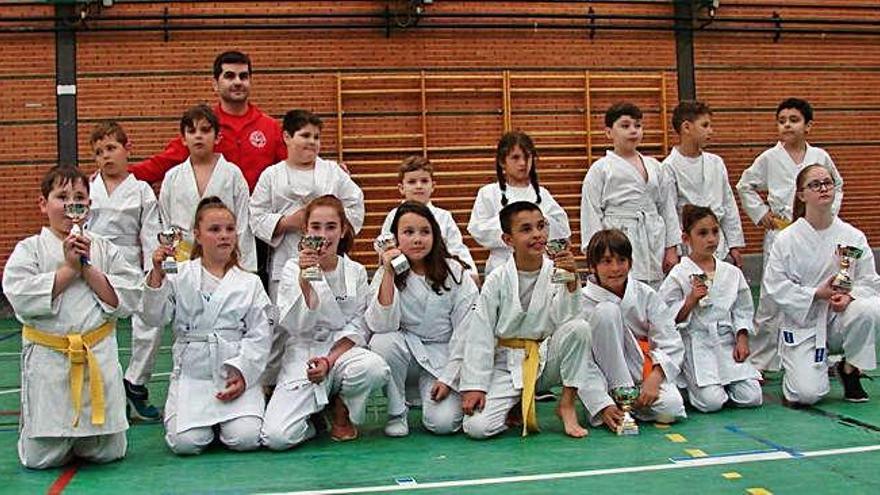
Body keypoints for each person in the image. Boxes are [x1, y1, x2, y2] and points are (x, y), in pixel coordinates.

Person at [2, 166, 142, 469]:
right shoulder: (30, 249)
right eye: (61, 196)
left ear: (89, 206)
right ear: (43, 204)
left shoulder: (104, 248)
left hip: (97, 353)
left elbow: (128, 297)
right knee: (41, 459)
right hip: (50, 360)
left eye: (79, 197)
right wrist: (68, 270)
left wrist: (86, 267)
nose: (70, 204)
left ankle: (89, 438)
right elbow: (20, 296)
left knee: (109, 452)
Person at [141, 197, 272, 455]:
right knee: (186, 444)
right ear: (197, 236)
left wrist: (244, 374)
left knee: (244, 439)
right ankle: (202, 424)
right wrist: (157, 275)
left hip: (232, 372)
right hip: (194, 376)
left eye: (229, 229)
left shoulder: (250, 282)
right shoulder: (179, 274)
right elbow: (154, 318)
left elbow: (260, 334)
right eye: (214, 230)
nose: (224, 236)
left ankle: (230, 419)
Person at [261, 195, 389, 449]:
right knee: (276, 438)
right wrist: (304, 281)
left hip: (342, 353)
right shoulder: (290, 268)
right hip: (303, 353)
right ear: (305, 231)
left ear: (343, 231)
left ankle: (342, 405)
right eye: (316, 227)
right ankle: (314, 418)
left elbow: (359, 326)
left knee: (375, 368)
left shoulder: (355, 271)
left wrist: (329, 361)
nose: (323, 235)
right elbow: (294, 326)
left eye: (331, 227)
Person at [249, 109, 365, 389]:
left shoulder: (332, 172)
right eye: (304, 135)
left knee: (326, 318)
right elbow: (255, 215)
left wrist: (329, 223)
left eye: (316, 137)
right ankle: (274, 386)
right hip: (287, 257)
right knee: (281, 325)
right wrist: (289, 222)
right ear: (286, 137)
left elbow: (355, 203)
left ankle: (330, 380)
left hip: (327, 262)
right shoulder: (272, 175)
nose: (311, 142)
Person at [460, 201, 592, 440]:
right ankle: (516, 402)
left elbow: (567, 318)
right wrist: (475, 385)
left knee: (579, 328)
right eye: (526, 229)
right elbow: (481, 333)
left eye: (541, 226)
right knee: (477, 427)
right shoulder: (497, 279)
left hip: (546, 358)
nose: (538, 235)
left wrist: (572, 282)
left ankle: (567, 404)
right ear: (508, 240)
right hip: (508, 363)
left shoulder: (556, 271)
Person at [736, 97, 845, 373]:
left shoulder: (820, 157)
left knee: (814, 291)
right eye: (782, 120)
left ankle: (812, 350)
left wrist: (826, 214)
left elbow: (838, 185)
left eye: (794, 120)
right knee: (772, 298)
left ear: (808, 126)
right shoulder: (769, 158)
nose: (787, 125)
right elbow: (744, 185)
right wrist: (762, 215)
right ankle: (761, 360)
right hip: (782, 232)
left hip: (814, 233)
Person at [762, 164, 879, 405]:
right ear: (802, 195)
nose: (823, 188)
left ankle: (850, 367)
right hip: (803, 322)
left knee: (870, 308)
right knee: (806, 395)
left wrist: (850, 297)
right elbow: (774, 286)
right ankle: (798, 371)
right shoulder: (786, 239)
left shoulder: (852, 235)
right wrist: (815, 293)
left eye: (827, 183)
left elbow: (869, 281)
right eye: (815, 185)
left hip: (839, 317)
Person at [367, 202, 478, 437]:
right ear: (396, 238)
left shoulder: (455, 272)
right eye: (408, 232)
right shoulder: (385, 273)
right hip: (405, 354)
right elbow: (381, 325)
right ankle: (397, 412)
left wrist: (448, 378)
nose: (417, 239)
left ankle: (426, 395)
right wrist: (388, 272)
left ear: (435, 236)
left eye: (425, 232)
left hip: (443, 355)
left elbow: (467, 331)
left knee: (443, 424)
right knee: (383, 342)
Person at [86, 121, 164, 423]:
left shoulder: (141, 190)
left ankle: (135, 382)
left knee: (149, 324)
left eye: (111, 148)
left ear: (126, 148)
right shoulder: (88, 188)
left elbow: (150, 232)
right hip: (95, 265)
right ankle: (102, 391)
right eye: (99, 152)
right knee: (96, 327)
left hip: (132, 264)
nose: (106, 157)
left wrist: (152, 270)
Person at [129, 50, 285, 191]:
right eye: (229, 76)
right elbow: (161, 163)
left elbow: (289, 169)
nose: (238, 82)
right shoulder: (203, 126)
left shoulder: (269, 127)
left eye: (243, 76)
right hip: (214, 216)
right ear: (215, 84)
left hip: (257, 216)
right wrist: (121, 176)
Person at [579, 229, 686, 432]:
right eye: (606, 262)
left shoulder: (645, 294)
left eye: (621, 260)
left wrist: (655, 377)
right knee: (606, 312)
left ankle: (628, 404)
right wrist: (602, 404)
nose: (615, 268)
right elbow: (581, 358)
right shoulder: (582, 302)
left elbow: (670, 340)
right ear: (592, 266)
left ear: (630, 262)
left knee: (671, 408)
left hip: (641, 370)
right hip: (603, 378)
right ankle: (614, 403)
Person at [658, 205, 762, 413]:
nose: (711, 239)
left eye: (715, 231)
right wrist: (689, 302)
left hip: (726, 342)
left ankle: (722, 384)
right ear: (686, 238)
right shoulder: (679, 273)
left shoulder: (731, 273)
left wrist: (742, 337)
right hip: (697, 344)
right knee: (711, 403)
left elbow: (743, 309)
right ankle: (689, 386)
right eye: (703, 233)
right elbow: (664, 317)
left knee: (752, 396)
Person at [581, 102, 680, 289]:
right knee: (622, 287)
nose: (633, 131)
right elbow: (591, 213)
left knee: (656, 290)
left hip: (653, 233)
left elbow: (667, 208)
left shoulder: (656, 166)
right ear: (609, 132)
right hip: (619, 235)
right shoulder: (600, 169)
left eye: (638, 125)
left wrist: (671, 248)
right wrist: (596, 254)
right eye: (625, 126)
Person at [158, 104, 257, 272]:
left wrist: (245, 269)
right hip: (183, 259)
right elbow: (165, 223)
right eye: (192, 131)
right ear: (183, 138)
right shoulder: (172, 177)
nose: (198, 136)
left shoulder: (232, 174)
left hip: (224, 259)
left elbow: (242, 224)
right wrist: (169, 267)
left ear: (217, 137)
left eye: (205, 131)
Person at [468, 131, 571, 275]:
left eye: (527, 157)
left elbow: (562, 233)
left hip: (540, 267)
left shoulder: (542, 194)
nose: (522, 163)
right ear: (502, 161)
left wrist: (542, 225)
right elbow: (478, 230)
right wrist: (516, 227)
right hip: (501, 266)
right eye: (515, 158)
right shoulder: (488, 193)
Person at [662, 101, 745, 267]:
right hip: (688, 246)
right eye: (705, 125)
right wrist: (671, 249)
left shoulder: (716, 162)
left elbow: (728, 205)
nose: (711, 131)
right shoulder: (668, 166)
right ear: (686, 127)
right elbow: (668, 211)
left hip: (717, 243)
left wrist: (735, 245)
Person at [381, 155, 477, 283]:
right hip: (403, 278)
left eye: (424, 181)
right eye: (412, 182)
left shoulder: (444, 217)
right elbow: (387, 248)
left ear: (433, 186)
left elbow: (456, 248)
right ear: (401, 188)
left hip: (440, 277)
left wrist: (469, 274)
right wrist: (404, 275)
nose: (419, 186)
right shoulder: (393, 216)